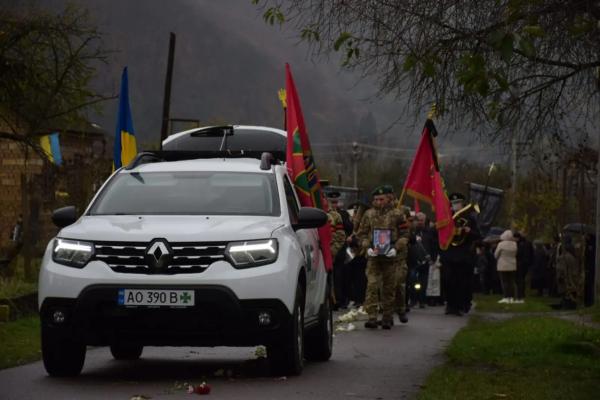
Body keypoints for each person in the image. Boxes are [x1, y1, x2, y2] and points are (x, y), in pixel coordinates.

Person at [356, 185, 409, 329]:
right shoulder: (369, 214)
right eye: (376, 199)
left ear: (389, 198)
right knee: (372, 285)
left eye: (381, 199)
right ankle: (372, 316)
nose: (379, 202)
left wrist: (396, 248)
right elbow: (361, 234)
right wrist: (367, 247)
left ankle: (387, 316)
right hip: (374, 257)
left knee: (389, 288)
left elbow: (405, 235)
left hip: (391, 258)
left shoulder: (398, 214)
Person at [439, 192, 481, 316]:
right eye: (453, 203)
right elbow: (439, 234)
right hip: (449, 254)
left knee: (461, 282)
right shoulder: (446, 218)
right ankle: (450, 305)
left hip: (463, 256)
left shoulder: (469, 218)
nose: (455, 205)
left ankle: (460, 305)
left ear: (463, 204)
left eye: (458, 203)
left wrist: (469, 232)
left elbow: (478, 236)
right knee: (447, 280)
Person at [326, 192, 347, 310]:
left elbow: (341, 234)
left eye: (335, 202)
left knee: (337, 277)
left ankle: (337, 300)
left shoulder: (338, 215)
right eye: (331, 201)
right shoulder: (320, 212)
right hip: (319, 253)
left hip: (335, 252)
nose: (333, 204)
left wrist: (333, 251)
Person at [494, 230, 517, 303]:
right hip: (512, 265)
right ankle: (512, 297)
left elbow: (496, 255)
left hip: (502, 265)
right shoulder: (514, 244)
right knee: (511, 282)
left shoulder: (501, 244)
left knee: (504, 282)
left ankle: (506, 297)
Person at [513, 231, 534, 303]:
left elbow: (517, 253)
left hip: (519, 263)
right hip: (526, 263)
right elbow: (532, 253)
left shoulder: (517, 244)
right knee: (523, 278)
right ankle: (522, 293)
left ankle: (520, 293)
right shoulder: (528, 243)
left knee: (519, 279)